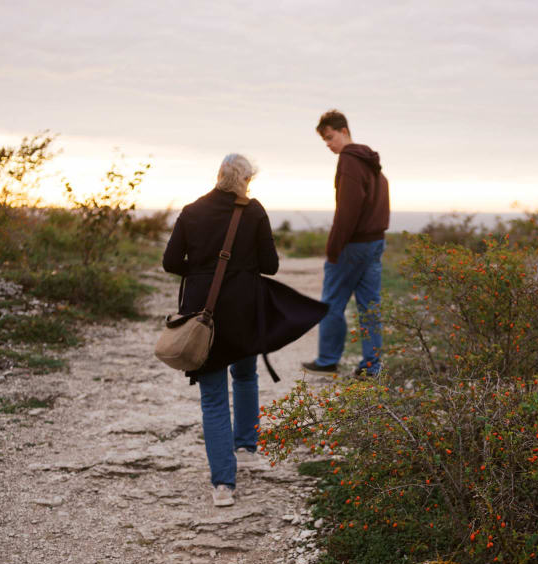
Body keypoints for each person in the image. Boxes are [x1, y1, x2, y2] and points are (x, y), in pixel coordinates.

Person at [163, 154, 326, 508]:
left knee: (213, 397)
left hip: (202, 312)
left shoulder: (191, 211)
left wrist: (202, 270)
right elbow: (270, 265)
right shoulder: (253, 211)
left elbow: (170, 262)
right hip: (243, 309)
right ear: (246, 180)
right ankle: (247, 448)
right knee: (245, 374)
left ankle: (223, 485)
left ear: (218, 175)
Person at [302, 109, 390, 377]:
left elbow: (347, 211)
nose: (328, 144)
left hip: (353, 245)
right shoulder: (371, 162)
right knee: (369, 307)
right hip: (375, 242)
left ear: (344, 131)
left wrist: (333, 248)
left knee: (331, 302)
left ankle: (328, 360)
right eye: (325, 141)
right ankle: (372, 366)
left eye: (330, 137)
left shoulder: (349, 160)